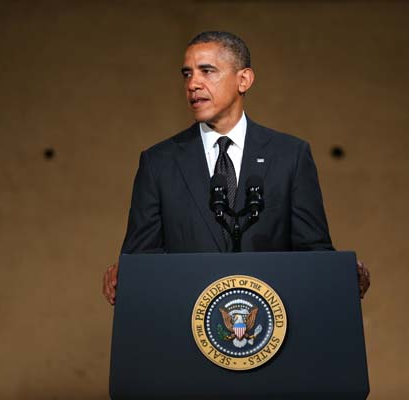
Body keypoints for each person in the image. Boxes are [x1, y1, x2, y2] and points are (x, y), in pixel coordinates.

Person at [102, 31, 370, 305]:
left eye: (207, 71)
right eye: (187, 74)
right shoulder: (158, 162)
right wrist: (127, 273)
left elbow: (313, 251)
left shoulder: (290, 156)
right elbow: (141, 257)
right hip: (184, 328)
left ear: (244, 80)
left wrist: (342, 273)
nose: (193, 83)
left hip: (272, 330)